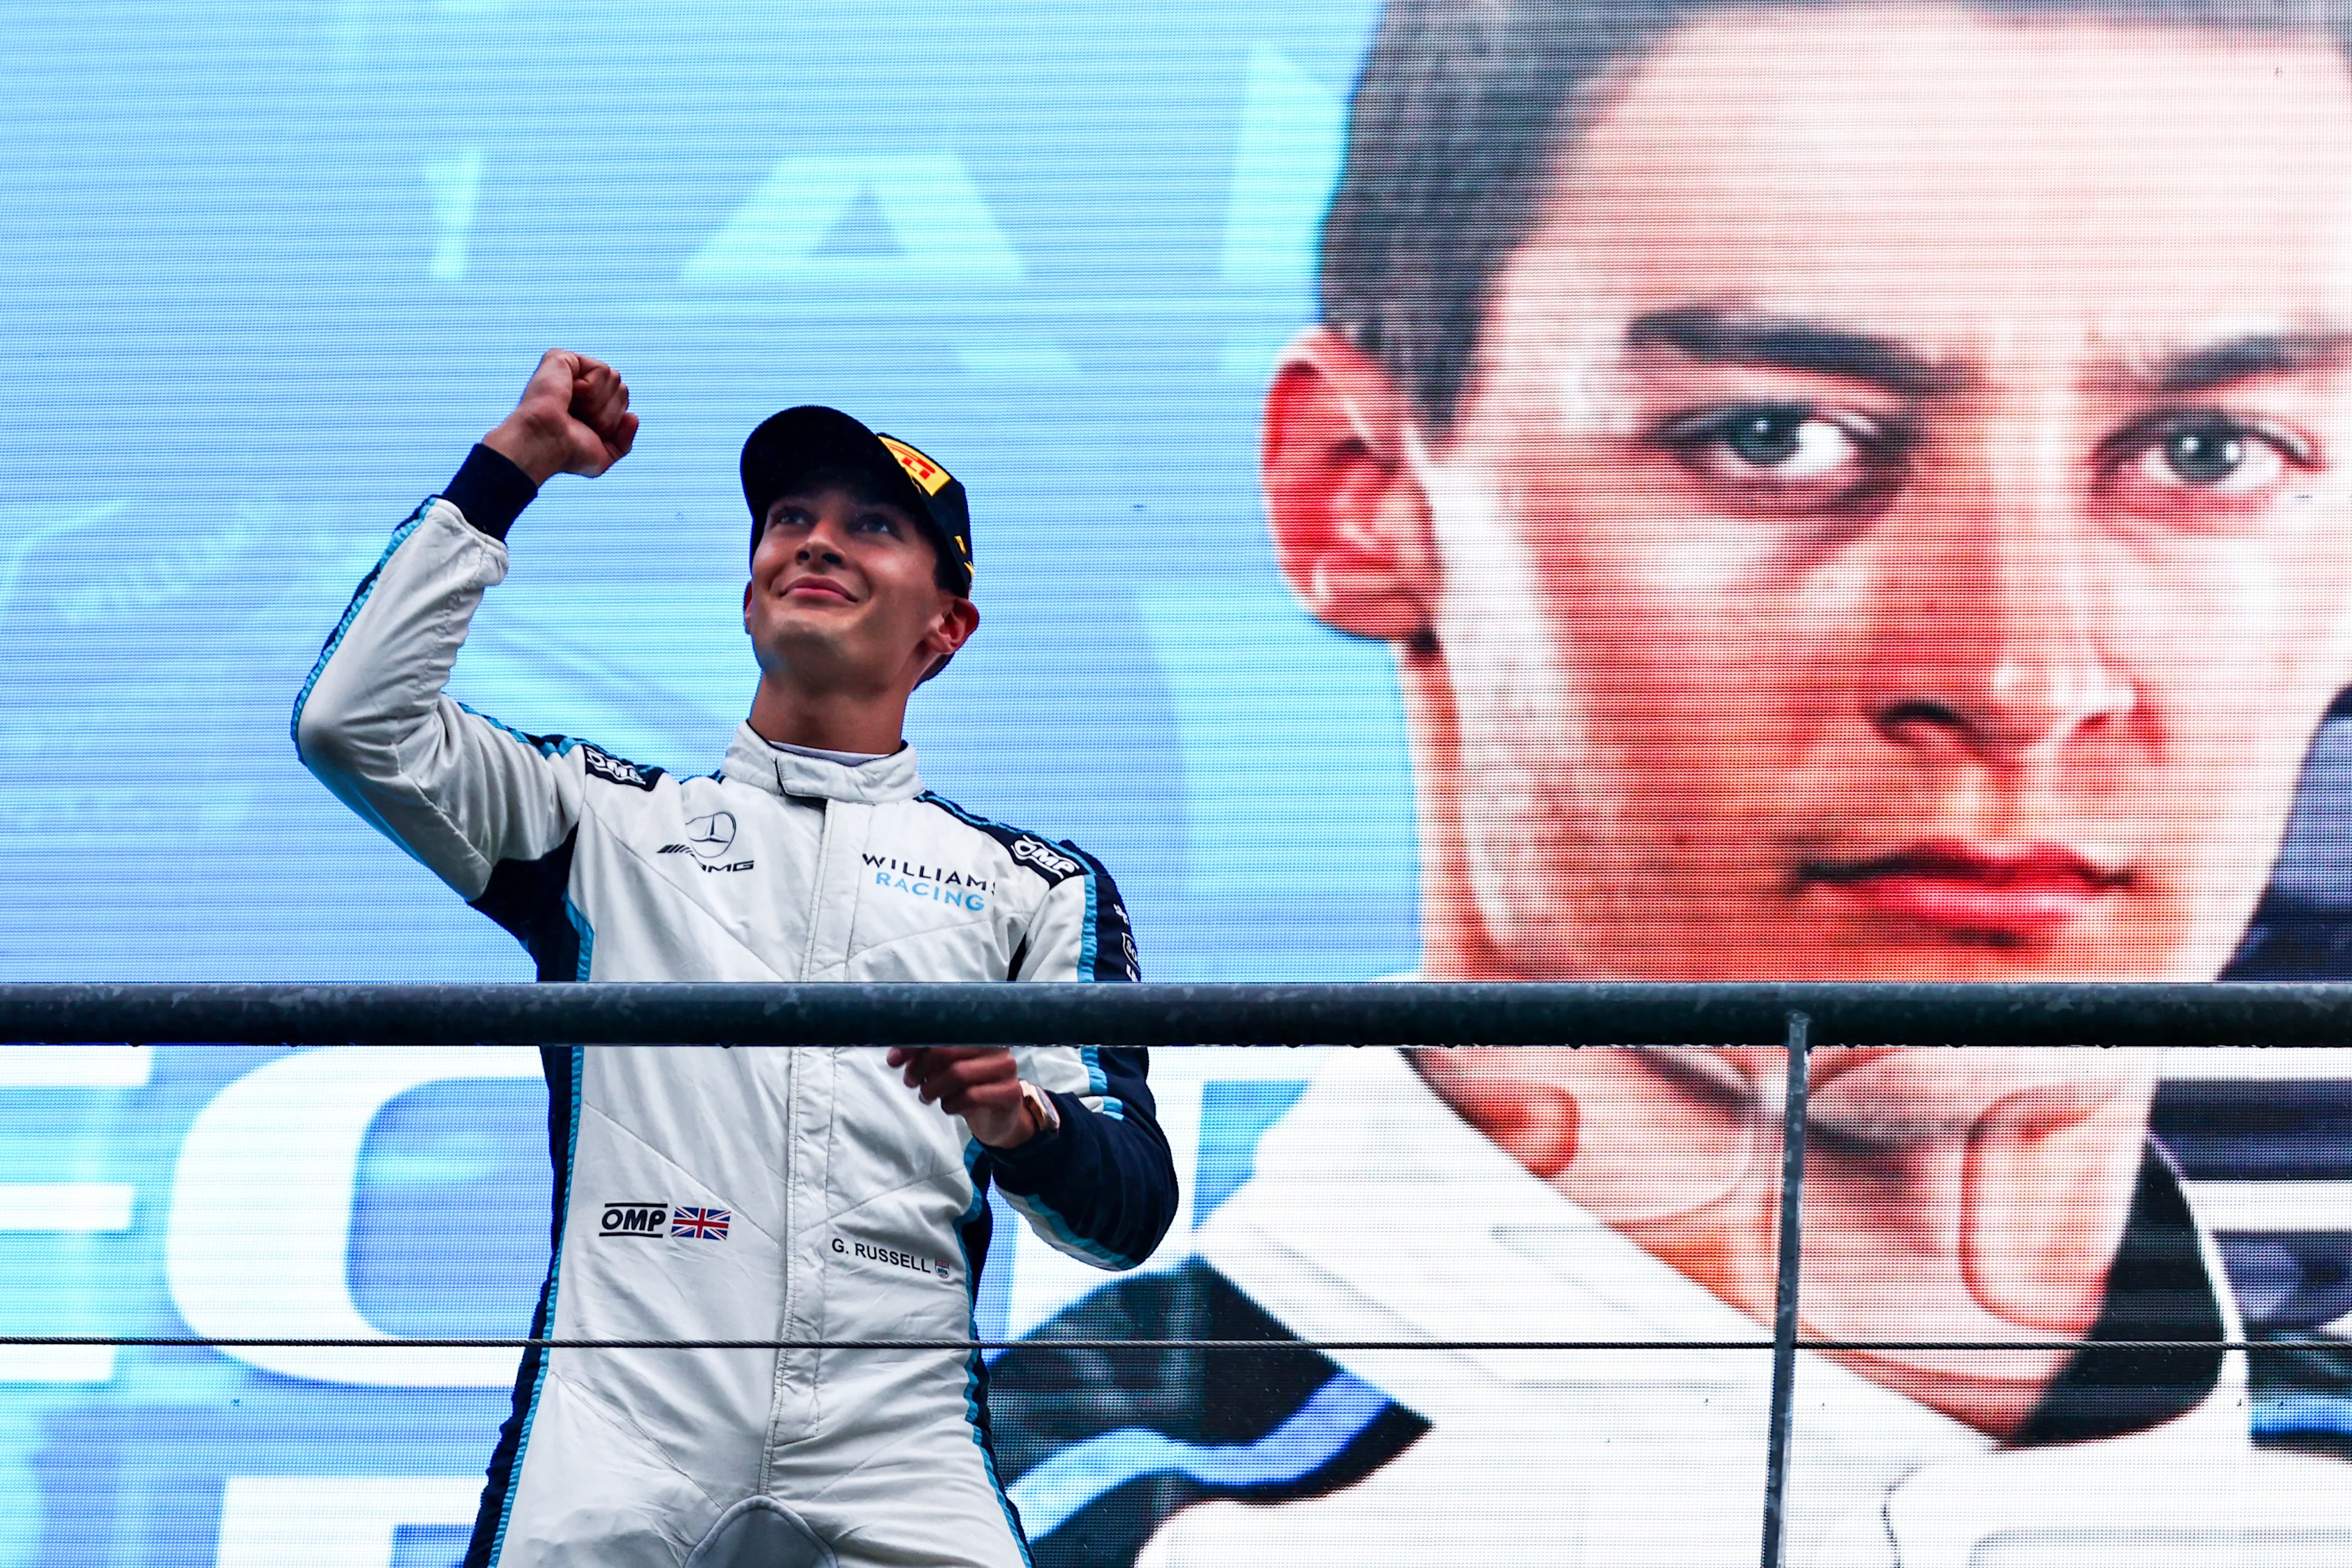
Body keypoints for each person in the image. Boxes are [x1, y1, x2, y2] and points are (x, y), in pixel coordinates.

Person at [986, 1, 2352, 1563]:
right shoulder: (1011, 1525)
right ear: (1359, 494)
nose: (2021, 677)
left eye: (2210, 453)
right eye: (1772, 436)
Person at [293, 349, 1179, 1568]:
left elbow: (1128, 1209)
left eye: (874, 525)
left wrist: (1022, 1119)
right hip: (619, 1429)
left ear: (948, 626)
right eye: (789, 520)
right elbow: (355, 724)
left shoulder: (1035, 884)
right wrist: (511, 470)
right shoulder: (600, 818)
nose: (816, 542)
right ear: (750, 588)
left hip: (902, 1439)